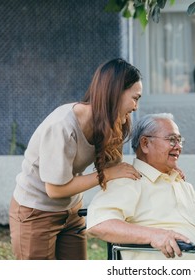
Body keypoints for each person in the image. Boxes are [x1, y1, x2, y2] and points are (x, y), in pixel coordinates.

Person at [8, 58, 143, 260]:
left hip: (72, 212)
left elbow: (116, 171)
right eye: (135, 98)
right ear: (115, 94)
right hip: (35, 213)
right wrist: (105, 174)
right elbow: (54, 189)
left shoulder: (109, 123)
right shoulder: (62, 126)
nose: (135, 106)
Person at [86, 113, 195, 260]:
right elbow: (99, 223)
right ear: (145, 144)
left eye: (180, 140)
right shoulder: (129, 180)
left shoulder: (176, 180)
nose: (179, 146)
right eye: (172, 140)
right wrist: (154, 235)